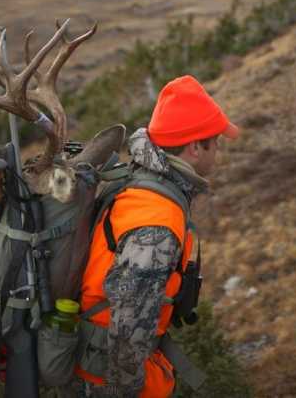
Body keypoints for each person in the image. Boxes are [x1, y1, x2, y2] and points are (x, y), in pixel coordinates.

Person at [72, 74, 239, 397]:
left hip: (91, 364)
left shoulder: (139, 180)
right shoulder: (157, 221)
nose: (218, 147)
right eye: (214, 139)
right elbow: (128, 332)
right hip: (103, 380)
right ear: (193, 147)